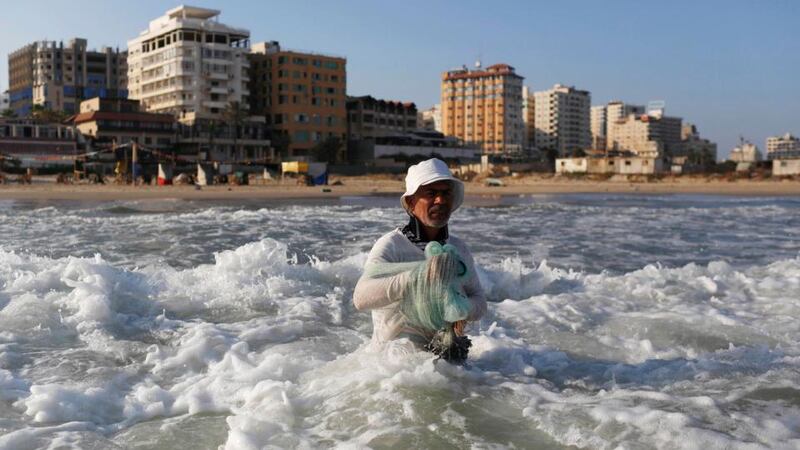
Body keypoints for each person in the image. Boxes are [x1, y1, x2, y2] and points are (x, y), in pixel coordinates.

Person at [353, 158, 487, 358]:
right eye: (431, 193)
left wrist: (462, 308)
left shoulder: (457, 248)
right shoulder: (392, 245)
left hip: (443, 362)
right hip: (394, 368)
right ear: (410, 203)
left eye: (446, 193)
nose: (440, 200)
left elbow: (479, 301)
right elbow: (361, 298)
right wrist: (417, 278)